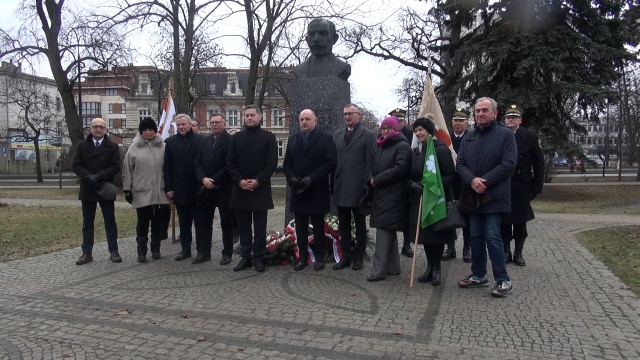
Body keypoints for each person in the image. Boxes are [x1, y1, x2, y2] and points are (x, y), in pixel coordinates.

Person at [456, 97, 517, 298]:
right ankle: (479, 274)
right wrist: (472, 180)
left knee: (492, 236)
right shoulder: (469, 136)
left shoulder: (505, 135)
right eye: (477, 111)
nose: (480, 114)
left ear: (494, 113)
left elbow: (508, 164)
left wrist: (485, 181)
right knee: (475, 236)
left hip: (494, 196)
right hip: (473, 197)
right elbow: (461, 164)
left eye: (484, 110)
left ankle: (503, 279)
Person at [284, 109, 337, 271]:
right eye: (301, 120)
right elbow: (287, 164)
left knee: (318, 226)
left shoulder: (326, 139)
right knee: (300, 227)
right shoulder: (293, 140)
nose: (304, 122)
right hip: (298, 190)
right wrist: (292, 178)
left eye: (307, 119)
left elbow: (330, 163)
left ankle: (319, 257)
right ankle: (303, 258)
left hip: (316, 190)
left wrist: (312, 178)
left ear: (315, 120)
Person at [407, 116, 458, 286]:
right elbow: (409, 175)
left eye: (421, 129)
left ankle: (437, 269)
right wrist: (412, 185)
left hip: (437, 200)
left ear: (429, 131)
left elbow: (451, 175)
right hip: (419, 200)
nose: (418, 133)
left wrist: (433, 187)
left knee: (437, 236)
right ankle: (429, 268)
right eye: (416, 130)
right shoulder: (416, 151)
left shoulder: (440, 150)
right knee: (426, 237)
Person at [227, 105, 278, 272]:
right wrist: (240, 180)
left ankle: (259, 257)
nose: (249, 118)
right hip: (240, 189)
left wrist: (258, 180)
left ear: (260, 117)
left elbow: (271, 164)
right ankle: (245, 257)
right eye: (246, 115)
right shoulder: (236, 138)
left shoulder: (269, 137)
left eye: (252, 115)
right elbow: (230, 163)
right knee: (243, 227)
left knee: (260, 227)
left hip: (260, 189)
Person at [367, 116, 411, 282]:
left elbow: (400, 169)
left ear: (396, 129)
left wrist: (376, 180)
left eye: (389, 128)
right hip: (382, 194)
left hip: (393, 195)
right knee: (389, 232)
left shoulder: (402, 146)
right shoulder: (381, 145)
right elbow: (374, 166)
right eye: (383, 128)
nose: (385, 131)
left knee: (383, 232)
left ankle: (378, 271)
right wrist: (370, 177)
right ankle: (393, 267)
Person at [332, 104, 376, 271]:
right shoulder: (337, 135)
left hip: (358, 189)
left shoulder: (368, 135)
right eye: (345, 114)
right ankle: (345, 257)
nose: (347, 117)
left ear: (359, 114)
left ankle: (358, 257)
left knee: (359, 226)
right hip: (341, 187)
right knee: (343, 226)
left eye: (350, 113)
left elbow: (370, 162)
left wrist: (367, 187)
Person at [72, 118, 121, 265]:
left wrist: (98, 177)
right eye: (95, 127)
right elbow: (76, 165)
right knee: (87, 223)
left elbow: (115, 167)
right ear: (90, 129)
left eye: (101, 127)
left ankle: (114, 251)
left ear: (105, 129)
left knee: (110, 221)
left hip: (104, 187)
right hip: (88, 188)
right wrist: (88, 177)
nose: (98, 129)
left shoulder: (112, 146)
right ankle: (87, 252)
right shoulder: (82, 145)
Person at [122, 117, 171, 262]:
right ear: (141, 132)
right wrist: (127, 189)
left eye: (151, 130)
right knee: (142, 221)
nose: (148, 133)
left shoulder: (163, 146)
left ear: (155, 131)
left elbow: (169, 167)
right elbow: (127, 169)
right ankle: (141, 251)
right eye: (145, 130)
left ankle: (155, 249)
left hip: (159, 191)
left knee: (157, 221)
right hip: (141, 190)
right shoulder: (134, 148)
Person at [501, 105, 544, 266]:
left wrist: (536, 188)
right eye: (508, 117)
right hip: (504, 183)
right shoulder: (500, 136)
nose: (510, 120)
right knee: (504, 221)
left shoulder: (530, 137)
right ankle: (506, 251)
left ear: (520, 120)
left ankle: (518, 253)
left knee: (520, 222)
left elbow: (539, 164)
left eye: (514, 117)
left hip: (522, 184)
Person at [163, 114, 205, 262]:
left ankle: (201, 252)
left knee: (200, 223)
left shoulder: (201, 140)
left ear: (190, 124)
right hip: (179, 189)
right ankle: (185, 250)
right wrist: (168, 187)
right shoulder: (170, 142)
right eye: (178, 125)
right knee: (184, 223)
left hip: (197, 188)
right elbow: (167, 167)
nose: (181, 127)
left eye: (183, 124)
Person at [194, 113, 234, 265]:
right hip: (206, 189)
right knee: (205, 222)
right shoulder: (205, 141)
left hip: (224, 188)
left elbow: (229, 164)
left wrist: (214, 179)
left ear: (224, 123)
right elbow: (197, 162)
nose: (214, 125)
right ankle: (204, 252)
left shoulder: (231, 141)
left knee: (226, 222)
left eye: (217, 122)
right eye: (212, 122)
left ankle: (227, 253)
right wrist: (203, 179)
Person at [443, 108, 472, 263]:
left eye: (461, 120)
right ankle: (450, 247)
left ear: (466, 122)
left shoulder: (472, 138)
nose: (458, 123)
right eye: (455, 120)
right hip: (450, 183)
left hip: (466, 184)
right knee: (449, 216)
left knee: (467, 218)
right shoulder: (446, 139)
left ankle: (467, 249)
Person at [389, 108, 415, 258]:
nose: (397, 122)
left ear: (405, 121)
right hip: (392, 181)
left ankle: (406, 244)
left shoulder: (412, 135)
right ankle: (391, 247)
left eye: (400, 120)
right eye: (395, 120)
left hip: (407, 180)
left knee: (407, 214)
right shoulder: (385, 135)